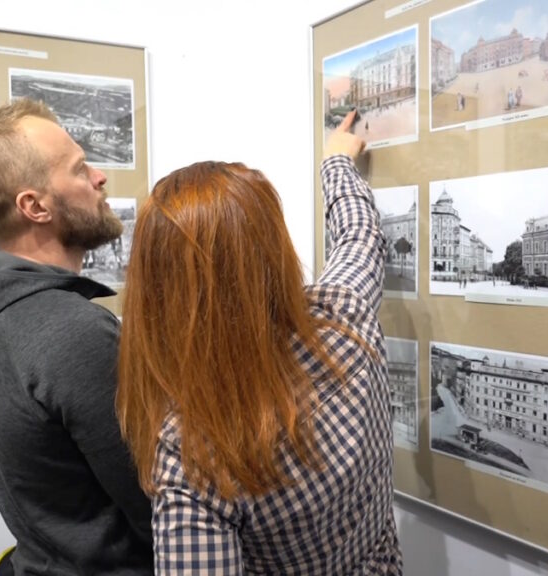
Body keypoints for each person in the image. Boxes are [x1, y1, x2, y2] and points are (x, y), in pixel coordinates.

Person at [116, 110, 403, 573]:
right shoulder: (343, 317)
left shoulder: (195, 457)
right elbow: (359, 235)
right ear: (274, 250)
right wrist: (336, 161)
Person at [0, 99, 152, 576]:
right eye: (80, 169)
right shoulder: (71, 331)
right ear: (34, 206)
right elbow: (156, 504)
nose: (100, 177)